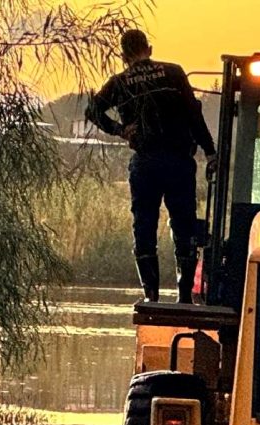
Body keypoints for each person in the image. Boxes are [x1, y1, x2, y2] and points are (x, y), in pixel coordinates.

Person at [86, 29, 217, 303]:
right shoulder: (173, 73)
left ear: (123, 56)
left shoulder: (120, 82)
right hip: (179, 162)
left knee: (144, 225)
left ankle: (151, 295)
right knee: (184, 225)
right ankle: (184, 296)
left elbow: (93, 110)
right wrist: (210, 151)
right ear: (150, 49)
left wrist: (120, 130)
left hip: (145, 163)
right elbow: (194, 115)